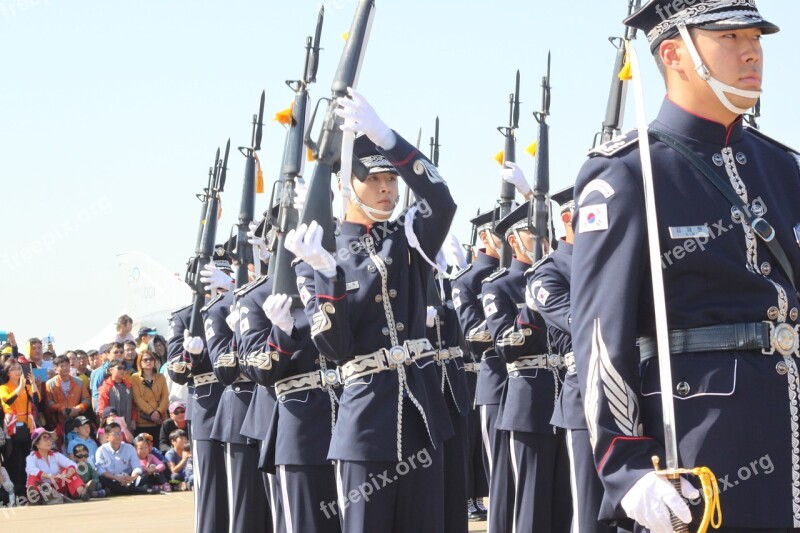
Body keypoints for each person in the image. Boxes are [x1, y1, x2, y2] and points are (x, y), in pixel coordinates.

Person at [570, 2, 794, 531]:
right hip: (698, 437)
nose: (751, 52)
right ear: (674, 53)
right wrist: (625, 466)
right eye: (730, 37)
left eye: (756, 38)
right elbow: (601, 336)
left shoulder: (782, 167)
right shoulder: (626, 174)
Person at [287, 88, 455, 532]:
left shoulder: (408, 236)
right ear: (347, 185)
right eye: (374, 180)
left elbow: (443, 202)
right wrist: (327, 275)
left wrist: (389, 140)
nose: (387, 189)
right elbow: (335, 346)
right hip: (365, 425)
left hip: (420, 415)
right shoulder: (318, 257)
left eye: (391, 180)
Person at [531, 186, 617, 533]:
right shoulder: (547, 272)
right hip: (585, 395)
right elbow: (579, 323)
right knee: (589, 511)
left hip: (634, 390)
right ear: (569, 219)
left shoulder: (615, 259)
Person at [481, 202, 571, 532]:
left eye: (542, 233)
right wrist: (530, 314)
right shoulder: (499, 285)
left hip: (566, 394)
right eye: (532, 233)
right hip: (530, 399)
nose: (541, 240)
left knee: (565, 502)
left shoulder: (561, 274)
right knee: (531, 503)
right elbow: (503, 345)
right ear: (515, 240)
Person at [452, 206, 509, 527]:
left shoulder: (524, 272)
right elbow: (476, 335)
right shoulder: (468, 280)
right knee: (497, 469)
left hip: (535, 383)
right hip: (495, 380)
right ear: (486, 236)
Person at [0, 357, 37, 496]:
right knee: (14, 458)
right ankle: (15, 489)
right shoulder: (3, 387)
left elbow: (36, 400)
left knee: (27, 457)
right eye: (13, 369)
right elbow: (8, 401)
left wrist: (32, 383)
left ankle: (26, 488)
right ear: (7, 372)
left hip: (27, 425)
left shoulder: (26, 386)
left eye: (18, 368)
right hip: (12, 426)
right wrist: (20, 387)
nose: (17, 371)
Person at [25, 427, 92, 503]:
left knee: (71, 471)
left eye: (49, 438)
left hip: (56, 486)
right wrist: (50, 476)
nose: (49, 441)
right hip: (42, 488)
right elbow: (31, 469)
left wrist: (69, 472)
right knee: (33, 477)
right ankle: (34, 497)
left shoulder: (55, 455)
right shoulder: (31, 457)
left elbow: (71, 463)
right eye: (45, 438)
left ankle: (82, 492)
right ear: (37, 444)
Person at [95, 421, 157, 495]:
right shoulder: (101, 450)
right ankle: (137, 490)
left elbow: (137, 466)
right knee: (102, 479)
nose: (118, 436)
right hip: (112, 478)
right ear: (107, 437)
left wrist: (132, 478)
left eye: (119, 433)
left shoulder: (129, 448)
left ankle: (114, 491)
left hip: (127, 478)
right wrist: (116, 478)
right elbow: (100, 470)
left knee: (144, 477)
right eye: (115, 434)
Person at [45, 354, 91, 444]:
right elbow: (49, 403)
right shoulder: (50, 384)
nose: (65, 368)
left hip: (77, 421)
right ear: (55, 369)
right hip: (59, 422)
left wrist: (78, 408)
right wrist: (60, 408)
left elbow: (87, 399)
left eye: (67, 365)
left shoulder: (79, 382)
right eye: (61, 366)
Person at [131, 350, 168, 437]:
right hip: (143, 422)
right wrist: (151, 413)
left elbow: (165, 397)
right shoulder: (135, 378)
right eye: (145, 359)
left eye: (151, 359)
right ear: (140, 362)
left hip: (160, 420)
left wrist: (158, 412)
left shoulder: (161, 377)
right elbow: (137, 398)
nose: (148, 361)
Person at [97, 358, 136, 431]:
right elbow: (102, 409)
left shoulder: (129, 386)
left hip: (128, 425)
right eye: (119, 368)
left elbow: (133, 406)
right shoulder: (105, 387)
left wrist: (133, 419)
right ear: (111, 370)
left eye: (124, 369)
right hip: (111, 427)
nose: (122, 370)